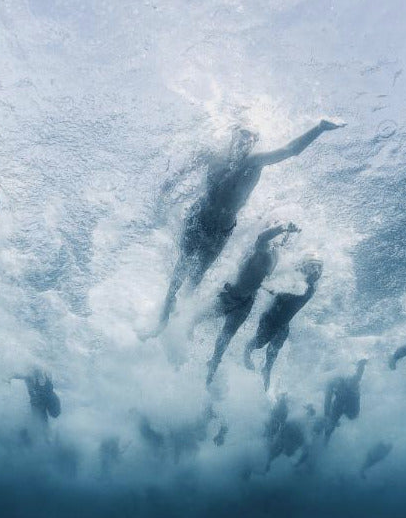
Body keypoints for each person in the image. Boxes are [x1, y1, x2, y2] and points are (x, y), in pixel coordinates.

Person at [143, 119, 343, 337]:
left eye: (253, 137)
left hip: (220, 230)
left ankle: (183, 317)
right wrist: (168, 187)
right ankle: (164, 314)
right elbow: (181, 174)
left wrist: (320, 128)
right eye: (244, 134)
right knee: (180, 269)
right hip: (197, 217)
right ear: (233, 134)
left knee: (197, 276)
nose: (247, 140)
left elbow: (290, 150)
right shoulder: (212, 155)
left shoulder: (254, 162)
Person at [192, 223, 298, 385]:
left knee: (224, 341)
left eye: (278, 244)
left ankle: (210, 375)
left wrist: (287, 234)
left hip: (246, 303)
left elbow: (277, 248)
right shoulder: (260, 251)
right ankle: (177, 348)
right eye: (275, 242)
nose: (277, 245)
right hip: (229, 295)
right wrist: (281, 228)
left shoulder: (275, 256)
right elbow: (262, 238)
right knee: (193, 320)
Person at [243, 255, 323, 390]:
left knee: (273, 352)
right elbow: (281, 289)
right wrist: (273, 288)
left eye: (319, 268)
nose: (316, 270)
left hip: (284, 324)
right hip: (270, 318)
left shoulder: (311, 286)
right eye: (313, 267)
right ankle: (246, 351)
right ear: (305, 268)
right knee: (260, 343)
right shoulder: (296, 280)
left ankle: (266, 371)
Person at [322, 358, 368, 444]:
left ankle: (328, 435)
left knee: (352, 416)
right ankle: (325, 442)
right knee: (329, 427)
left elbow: (359, 375)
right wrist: (327, 416)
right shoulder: (331, 383)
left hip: (352, 400)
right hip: (339, 402)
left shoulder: (352, 381)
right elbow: (327, 400)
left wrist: (362, 364)